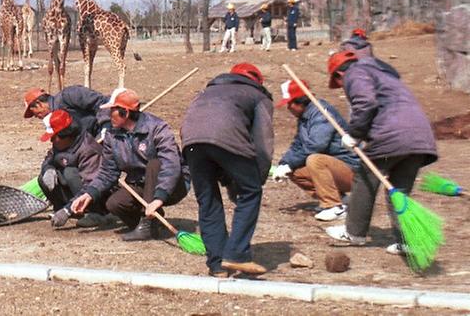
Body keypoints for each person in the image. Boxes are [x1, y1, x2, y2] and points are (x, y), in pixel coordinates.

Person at [324, 51, 438, 255]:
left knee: (365, 177)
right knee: (399, 190)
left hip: (393, 136)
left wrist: (354, 134)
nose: (342, 87)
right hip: (419, 135)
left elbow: (366, 103)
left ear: (339, 75)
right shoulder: (385, 76)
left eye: (339, 83)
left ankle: (354, 232)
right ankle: (407, 241)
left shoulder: (355, 73)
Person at [180, 63, 274, 277]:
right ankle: (237, 254)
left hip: (191, 143)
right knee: (251, 192)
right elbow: (263, 140)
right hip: (226, 138)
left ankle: (217, 264)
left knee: (208, 200)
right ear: (257, 81)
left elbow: (189, 125)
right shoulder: (258, 95)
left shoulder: (206, 92)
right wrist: (256, 179)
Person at [67, 88, 189, 242]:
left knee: (154, 164)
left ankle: (147, 225)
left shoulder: (157, 128)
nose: (108, 115)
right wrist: (89, 193)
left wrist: (159, 198)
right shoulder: (111, 135)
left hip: (172, 185)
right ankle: (152, 224)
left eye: (113, 111)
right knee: (114, 204)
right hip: (140, 183)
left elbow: (171, 166)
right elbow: (108, 172)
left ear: (125, 112)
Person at [272, 79, 359, 221]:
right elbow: (298, 144)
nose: (288, 108)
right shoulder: (304, 117)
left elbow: (317, 145)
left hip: (352, 171)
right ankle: (342, 201)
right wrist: (284, 164)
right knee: (294, 171)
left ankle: (334, 206)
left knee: (315, 159)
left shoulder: (321, 113)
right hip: (334, 169)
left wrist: (290, 163)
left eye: (290, 103)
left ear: (300, 102)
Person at [37, 109, 105, 228]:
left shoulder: (88, 149)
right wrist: (48, 168)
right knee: (43, 177)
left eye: (54, 137)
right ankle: (60, 208)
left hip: (93, 196)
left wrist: (67, 210)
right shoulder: (60, 143)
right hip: (73, 193)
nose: (51, 141)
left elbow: (91, 184)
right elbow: (49, 158)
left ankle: (94, 213)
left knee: (69, 173)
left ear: (66, 134)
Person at [23, 85, 110, 137]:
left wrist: (105, 128)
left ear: (39, 104)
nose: (36, 116)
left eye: (34, 113)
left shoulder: (70, 95)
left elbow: (103, 103)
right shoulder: (54, 123)